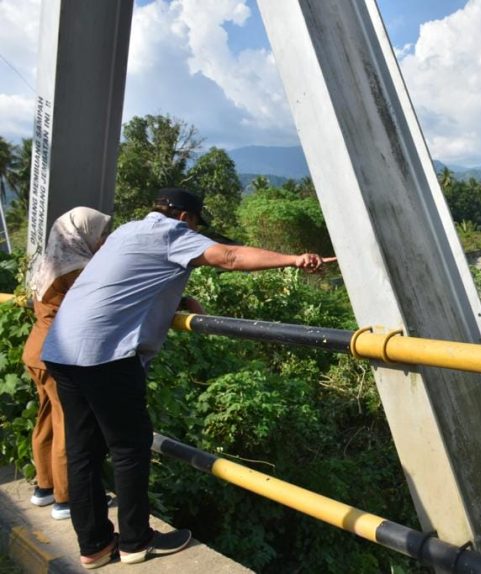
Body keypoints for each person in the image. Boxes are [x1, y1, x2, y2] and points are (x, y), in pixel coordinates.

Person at [41, 188, 334, 569]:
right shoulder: (172, 234)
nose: (196, 234)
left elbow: (126, 284)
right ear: (184, 219)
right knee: (130, 448)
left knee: (84, 452)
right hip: (105, 354)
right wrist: (295, 259)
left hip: (63, 350)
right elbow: (228, 257)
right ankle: (135, 540)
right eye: (196, 226)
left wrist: (177, 301)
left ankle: (95, 545)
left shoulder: (127, 232)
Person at [23, 207, 112, 521]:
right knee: (68, 424)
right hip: (58, 353)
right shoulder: (77, 270)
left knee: (46, 417)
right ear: (82, 234)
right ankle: (65, 497)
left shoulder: (49, 261)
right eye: (100, 234)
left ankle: (44, 487)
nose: (103, 241)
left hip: (36, 351)